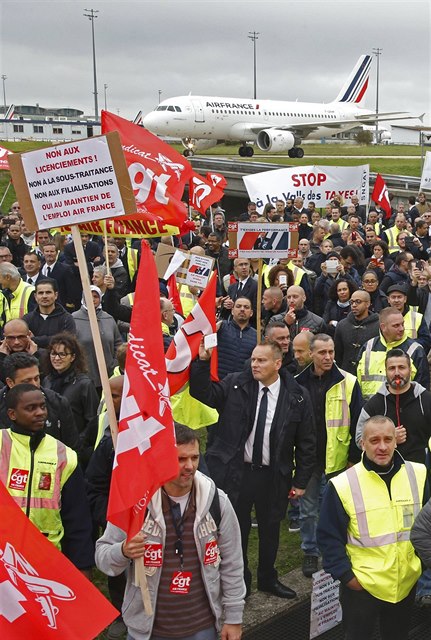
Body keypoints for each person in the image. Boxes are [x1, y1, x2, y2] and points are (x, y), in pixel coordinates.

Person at [95, 423, 245, 640]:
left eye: (194, 457)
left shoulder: (217, 501)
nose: (190, 466)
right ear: (161, 459)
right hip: (149, 630)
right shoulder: (135, 505)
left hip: (203, 628)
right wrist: (123, 551)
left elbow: (233, 562)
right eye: (181, 459)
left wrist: (233, 618)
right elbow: (103, 558)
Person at [190, 341, 316, 598]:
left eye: (261, 360)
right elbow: (204, 393)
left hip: (273, 476)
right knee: (237, 530)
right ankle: (241, 581)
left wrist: (300, 480)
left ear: (277, 364)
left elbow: (307, 442)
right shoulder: (236, 383)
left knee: (271, 529)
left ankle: (268, 578)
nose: (254, 364)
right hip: (237, 473)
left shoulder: (297, 395)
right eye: (253, 359)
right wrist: (202, 363)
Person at [317, 416, 428, 640]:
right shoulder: (342, 484)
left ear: (396, 441)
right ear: (362, 443)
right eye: (374, 440)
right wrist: (348, 578)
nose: (382, 447)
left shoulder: (419, 474)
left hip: (405, 583)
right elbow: (328, 538)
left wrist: (420, 565)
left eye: (388, 439)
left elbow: (428, 525)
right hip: (362, 588)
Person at [0, 383, 94, 572]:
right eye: (30, 408)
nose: (40, 413)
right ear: (12, 414)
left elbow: (77, 518)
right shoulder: (1, 444)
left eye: (43, 406)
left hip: (47, 560)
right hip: (4, 558)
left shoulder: (64, 455)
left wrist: (82, 566)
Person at [295, 334, 362, 578]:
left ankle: (335, 549)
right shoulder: (297, 382)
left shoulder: (349, 382)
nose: (328, 357)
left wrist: (353, 458)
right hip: (308, 459)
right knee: (308, 510)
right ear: (311, 354)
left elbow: (357, 423)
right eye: (322, 353)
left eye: (331, 352)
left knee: (336, 508)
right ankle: (311, 551)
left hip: (339, 458)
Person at [43, 333, 100, 466]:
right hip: (49, 446)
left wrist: (78, 443)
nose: (57, 358)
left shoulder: (84, 384)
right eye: (53, 354)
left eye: (62, 354)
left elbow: (92, 420)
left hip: (73, 449)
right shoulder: (47, 380)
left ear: (73, 357)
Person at [356, 307, 429, 400]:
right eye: (396, 325)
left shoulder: (416, 350)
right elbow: (357, 383)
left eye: (402, 324)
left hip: (402, 410)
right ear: (383, 327)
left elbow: (422, 389)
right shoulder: (367, 347)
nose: (402, 328)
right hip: (370, 410)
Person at [72, 286, 122, 391]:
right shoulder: (74, 319)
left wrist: (114, 363)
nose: (92, 299)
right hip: (85, 376)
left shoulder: (108, 318)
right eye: (89, 296)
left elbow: (118, 344)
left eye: (95, 296)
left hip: (108, 374)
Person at [334, 290, 380, 374]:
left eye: (358, 302)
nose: (354, 305)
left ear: (367, 304)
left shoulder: (379, 325)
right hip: (346, 374)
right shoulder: (342, 325)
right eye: (351, 302)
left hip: (370, 374)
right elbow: (338, 354)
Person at [22, 278, 76, 348]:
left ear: (56, 295)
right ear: (35, 296)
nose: (44, 296)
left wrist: (35, 340)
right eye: (41, 293)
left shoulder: (67, 319)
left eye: (48, 292)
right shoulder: (27, 319)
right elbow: (23, 341)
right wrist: (56, 339)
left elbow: (68, 343)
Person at [217, 297, 257, 379]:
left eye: (246, 307)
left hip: (242, 386)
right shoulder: (221, 327)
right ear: (232, 311)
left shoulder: (257, 336)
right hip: (219, 382)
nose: (242, 309)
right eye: (238, 306)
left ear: (251, 313)